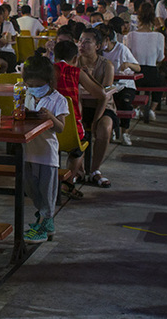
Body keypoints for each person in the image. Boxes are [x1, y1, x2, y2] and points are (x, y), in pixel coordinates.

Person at [19, 51, 68, 243]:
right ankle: (44, 218)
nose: (34, 89)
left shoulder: (58, 99)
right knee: (30, 188)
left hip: (47, 154)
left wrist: (50, 118)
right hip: (28, 151)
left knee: (47, 192)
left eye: (38, 86)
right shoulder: (27, 96)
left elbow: (61, 127)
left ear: (49, 82)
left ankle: (45, 224)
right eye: (30, 86)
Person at [52, 40, 107, 191]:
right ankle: (68, 182)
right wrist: (89, 76)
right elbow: (101, 94)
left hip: (47, 125)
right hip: (71, 128)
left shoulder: (47, 70)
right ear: (75, 59)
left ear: (54, 57)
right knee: (78, 147)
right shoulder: (76, 72)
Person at [76, 28, 119, 186]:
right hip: (80, 107)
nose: (82, 44)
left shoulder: (107, 66)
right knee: (73, 126)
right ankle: (78, 170)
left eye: (87, 41)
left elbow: (104, 96)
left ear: (98, 46)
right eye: (80, 40)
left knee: (105, 128)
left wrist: (95, 121)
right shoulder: (74, 62)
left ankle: (95, 170)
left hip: (102, 108)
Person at [98, 24, 140, 146]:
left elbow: (137, 67)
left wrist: (127, 64)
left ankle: (125, 133)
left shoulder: (121, 49)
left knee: (125, 102)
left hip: (125, 85)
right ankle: (111, 130)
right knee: (104, 104)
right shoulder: (99, 53)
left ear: (107, 39)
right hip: (108, 87)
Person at [126, 2, 166, 123]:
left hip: (136, 74)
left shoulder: (131, 36)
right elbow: (160, 58)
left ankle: (136, 107)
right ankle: (152, 110)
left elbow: (127, 57)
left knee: (133, 82)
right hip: (152, 73)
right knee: (161, 81)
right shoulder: (159, 36)